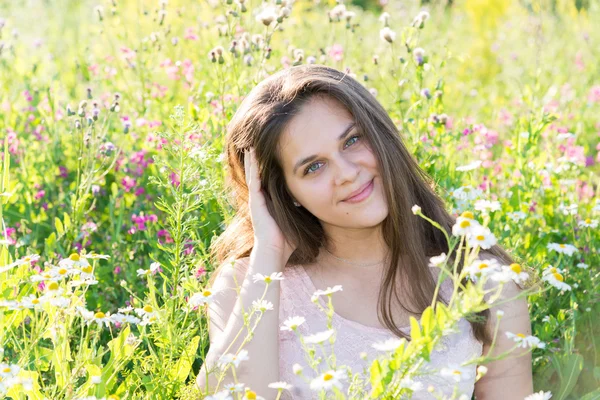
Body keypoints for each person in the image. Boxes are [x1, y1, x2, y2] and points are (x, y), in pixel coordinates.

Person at [196, 64, 535, 399]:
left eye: (353, 140)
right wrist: (268, 252)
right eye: (313, 167)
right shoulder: (248, 285)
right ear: (284, 193)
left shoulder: (483, 282)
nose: (346, 173)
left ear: (382, 134)